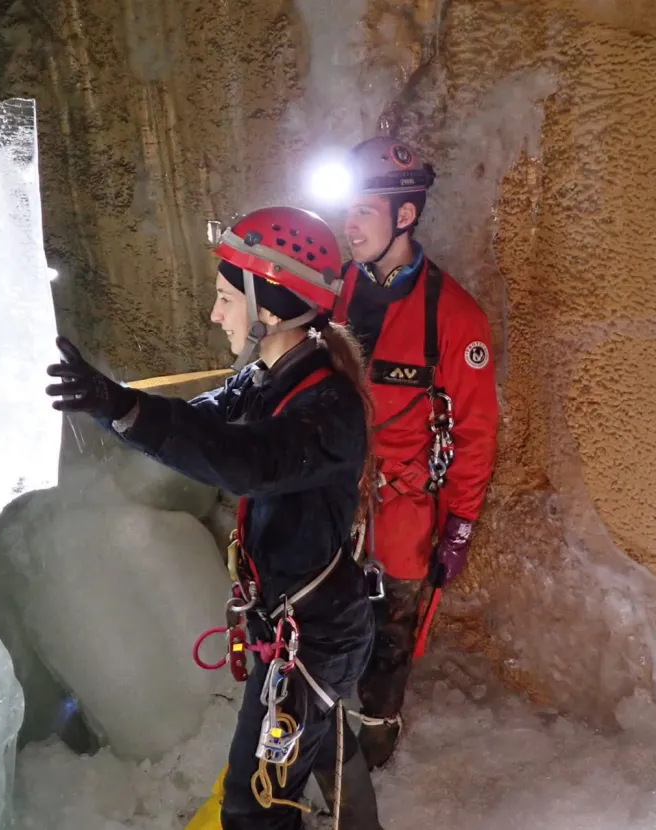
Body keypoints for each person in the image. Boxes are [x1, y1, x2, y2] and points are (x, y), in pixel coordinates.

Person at [43, 205, 384, 830]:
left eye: (227, 299)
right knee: (315, 739)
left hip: (311, 636)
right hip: (297, 627)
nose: (214, 314)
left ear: (270, 310)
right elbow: (201, 424)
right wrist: (113, 406)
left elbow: (245, 462)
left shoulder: (329, 408)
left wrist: (122, 408)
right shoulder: (265, 379)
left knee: (253, 808)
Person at [331, 136, 501, 769]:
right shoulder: (332, 293)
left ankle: (377, 728)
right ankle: (318, 714)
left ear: (405, 215)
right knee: (320, 613)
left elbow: (475, 431)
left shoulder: (454, 317)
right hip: (332, 490)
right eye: (347, 210)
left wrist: (460, 525)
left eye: (364, 211)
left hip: (401, 506)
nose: (349, 225)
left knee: (391, 629)